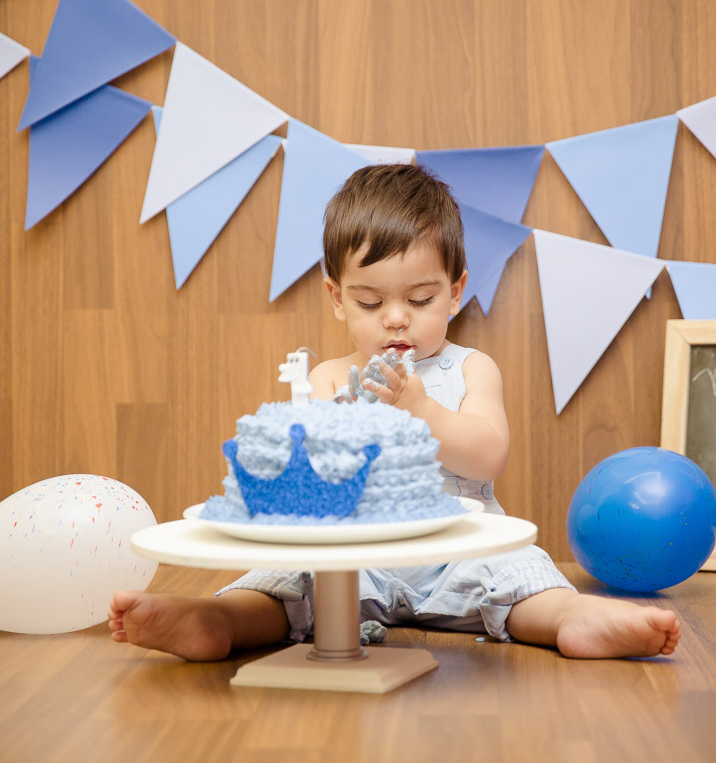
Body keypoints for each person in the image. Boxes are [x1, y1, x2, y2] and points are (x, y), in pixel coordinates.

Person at [108, 164, 680, 660]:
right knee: (279, 585)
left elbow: (487, 457)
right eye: (370, 302)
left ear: (455, 293)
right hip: (353, 563)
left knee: (521, 571)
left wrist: (421, 409)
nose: (396, 318)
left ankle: (573, 622)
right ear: (337, 298)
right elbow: (306, 469)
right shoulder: (329, 377)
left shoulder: (470, 368)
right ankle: (216, 623)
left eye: (421, 299)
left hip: (458, 550)